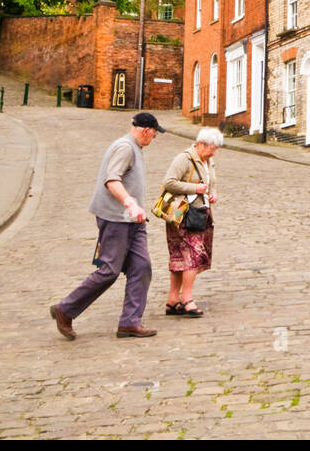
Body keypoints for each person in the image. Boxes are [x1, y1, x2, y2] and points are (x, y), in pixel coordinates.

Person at [50, 112, 164, 340]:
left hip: (133, 221)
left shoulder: (135, 148)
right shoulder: (125, 148)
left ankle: (130, 323)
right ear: (145, 131)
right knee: (109, 270)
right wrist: (130, 203)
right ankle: (65, 309)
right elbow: (112, 180)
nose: (154, 139)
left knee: (141, 267)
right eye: (154, 134)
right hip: (116, 219)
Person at [161, 127, 222, 317]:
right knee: (192, 257)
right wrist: (195, 187)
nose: (214, 152)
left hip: (200, 214)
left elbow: (211, 185)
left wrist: (212, 195)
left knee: (182, 257)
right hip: (183, 215)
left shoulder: (208, 161)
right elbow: (168, 182)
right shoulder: (184, 159)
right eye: (212, 148)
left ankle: (172, 301)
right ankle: (187, 299)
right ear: (201, 144)